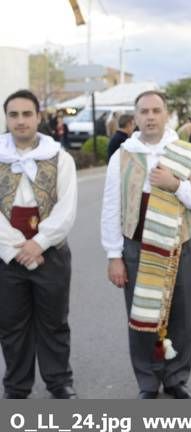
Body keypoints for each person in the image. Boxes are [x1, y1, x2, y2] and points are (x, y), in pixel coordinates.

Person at [100, 90, 191, 399]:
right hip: (136, 247)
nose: (150, 116)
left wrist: (176, 185)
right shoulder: (122, 155)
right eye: (144, 111)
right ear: (135, 118)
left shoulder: (188, 152)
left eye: (156, 110)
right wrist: (114, 255)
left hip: (180, 245)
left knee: (179, 314)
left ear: (166, 116)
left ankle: (176, 378)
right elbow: (111, 207)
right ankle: (147, 381)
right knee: (142, 317)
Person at [0, 90, 78, 399]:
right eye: (14, 115)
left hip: (51, 253)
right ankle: (17, 387)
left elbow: (67, 208)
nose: (20, 121)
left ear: (38, 117)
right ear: (6, 118)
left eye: (26, 114)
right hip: (7, 255)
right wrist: (17, 247)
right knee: (11, 325)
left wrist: (40, 242)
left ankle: (59, 382)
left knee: (54, 322)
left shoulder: (60, 157)